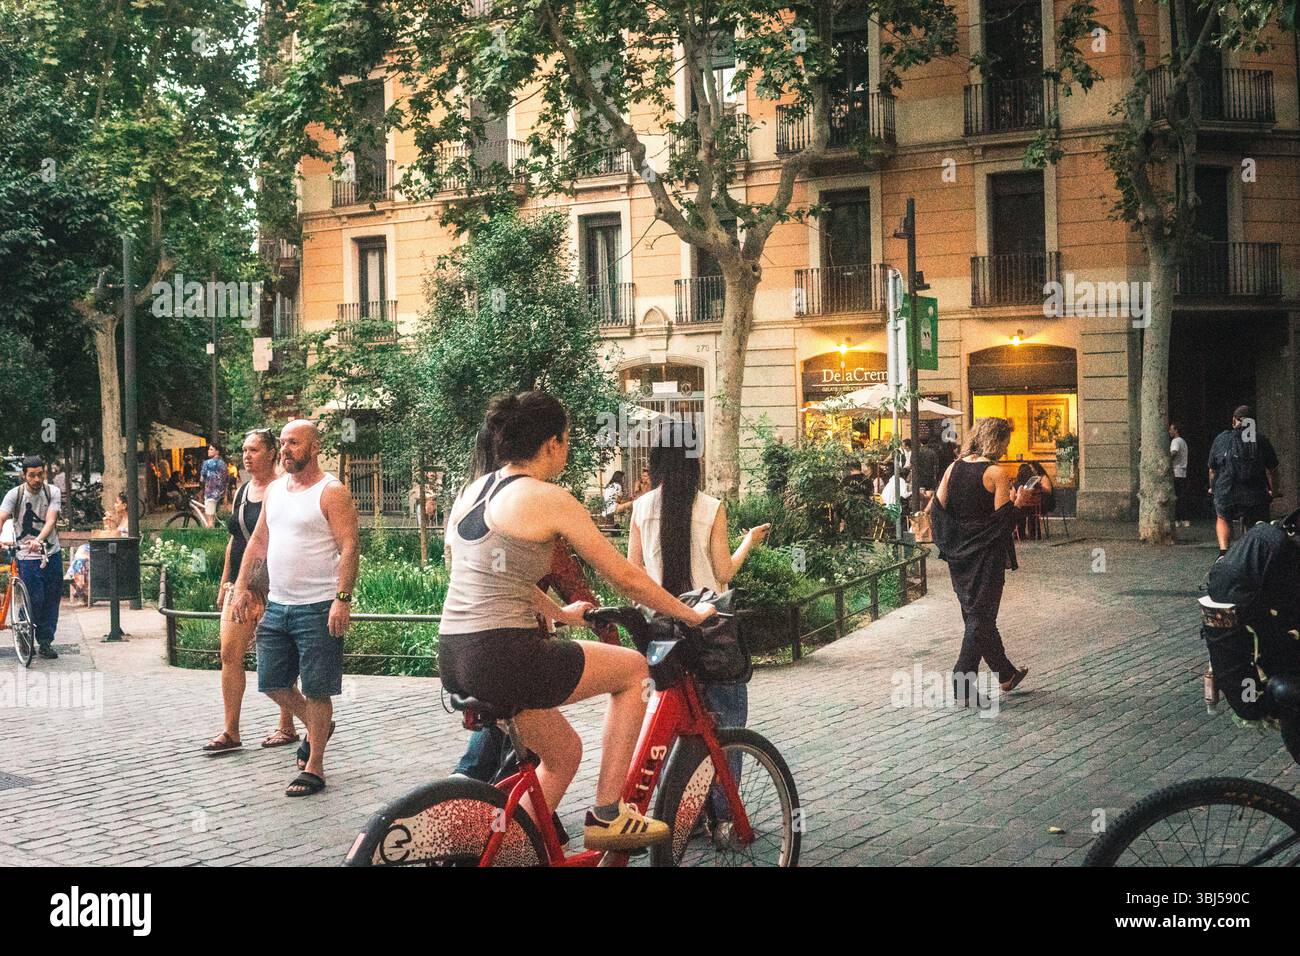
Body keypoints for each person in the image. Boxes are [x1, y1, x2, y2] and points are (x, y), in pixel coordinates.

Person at [438, 391, 715, 851]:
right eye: (566, 441)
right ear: (551, 445)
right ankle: (608, 814)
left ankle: (507, 854)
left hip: (456, 653)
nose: (567, 450)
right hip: (506, 652)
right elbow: (626, 576)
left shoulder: (472, 492)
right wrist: (692, 613)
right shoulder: (547, 496)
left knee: (563, 755)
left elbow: (490, 575)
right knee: (632, 670)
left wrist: (559, 613)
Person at [627, 418, 768, 843]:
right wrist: (748, 542)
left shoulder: (640, 508)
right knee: (725, 722)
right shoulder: (711, 507)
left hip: (663, 638)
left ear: (654, 461)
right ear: (695, 459)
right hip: (707, 630)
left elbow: (633, 575)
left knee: (672, 727)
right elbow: (723, 572)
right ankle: (724, 818)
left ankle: (679, 814)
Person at [230, 420, 360, 797]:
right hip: (279, 604)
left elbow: (350, 547)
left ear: (315, 447)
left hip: (318, 607)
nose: (285, 450)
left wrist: (342, 599)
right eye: (283, 443)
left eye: (294, 443)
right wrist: (240, 587)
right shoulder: (274, 491)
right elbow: (257, 543)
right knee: (271, 681)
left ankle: (315, 765)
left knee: (318, 690)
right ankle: (319, 726)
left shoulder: (331, 492)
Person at [203, 430, 298, 754]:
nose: (247, 455)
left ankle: (287, 725)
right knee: (229, 652)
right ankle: (231, 730)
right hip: (243, 585)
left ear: (272, 452)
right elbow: (236, 539)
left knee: (281, 657)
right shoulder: (243, 490)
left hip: (276, 585)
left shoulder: (286, 488)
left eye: (254, 449)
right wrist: (226, 581)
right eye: (244, 450)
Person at [931, 418, 1029, 705]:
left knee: (976, 616)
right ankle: (962, 681)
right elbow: (1002, 523)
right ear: (997, 441)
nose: (1006, 448)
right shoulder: (997, 474)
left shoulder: (953, 468)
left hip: (958, 556)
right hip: (986, 557)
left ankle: (1005, 674)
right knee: (980, 616)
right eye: (1006, 442)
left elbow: (938, 509)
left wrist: (952, 543)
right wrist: (1018, 505)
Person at [0, 457, 63, 659]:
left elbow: (51, 520)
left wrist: (39, 539)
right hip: (26, 556)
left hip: (51, 551)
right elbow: (1, 517)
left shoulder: (52, 492)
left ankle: (45, 642)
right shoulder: (15, 494)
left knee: (52, 599)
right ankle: (24, 633)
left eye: (40, 474)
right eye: (32, 475)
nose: (37, 479)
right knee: (35, 598)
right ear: (24, 475)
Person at [1208, 405, 1280, 558]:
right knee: (1256, 521)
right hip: (1255, 494)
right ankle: (1251, 554)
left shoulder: (1221, 438)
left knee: (1222, 517)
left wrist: (1213, 488)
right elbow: (1273, 470)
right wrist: (1273, 491)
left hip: (1226, 491)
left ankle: (1223, 552)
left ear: (1234, 421)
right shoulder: (1261, 440)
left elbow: (1212, 470)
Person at [1012, 461, 1055, 540]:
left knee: (1019, 510)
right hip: (1035, 507)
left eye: (1031, 468)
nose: (1031, 470)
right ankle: (1034, 535)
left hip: (1026, 506)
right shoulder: (1034, 483)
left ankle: (1019, 534)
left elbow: (1013, 496)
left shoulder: (1017, 483)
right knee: (1031, 512)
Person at [200, 444, 229, 527]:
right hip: (221, 494)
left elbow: (202, 479)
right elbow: (227, 479)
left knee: (210, 520)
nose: (208, 451)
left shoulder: (207, 463)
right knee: (217, 518)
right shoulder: (223, 464)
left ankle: (209, 537)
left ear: (217, 451)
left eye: (211, 449)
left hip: (210, 494)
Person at [1169, 421, 1190, 524]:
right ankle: (1185, 519)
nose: (1169, 431)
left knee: (1176, 497)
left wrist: (1167, 460)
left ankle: (1177, 520)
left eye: (1171, 429)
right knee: (1182, 496)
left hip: (1176, 471)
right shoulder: (1183, 442)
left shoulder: (1175, 441)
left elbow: (1174, 452)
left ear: (1176, 430)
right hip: (1183, 472)